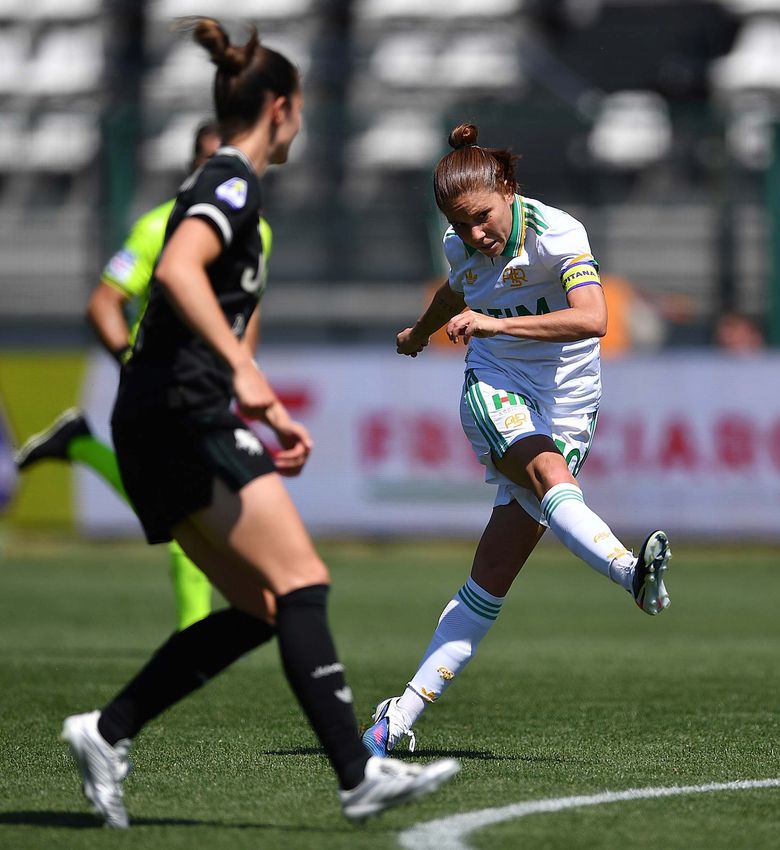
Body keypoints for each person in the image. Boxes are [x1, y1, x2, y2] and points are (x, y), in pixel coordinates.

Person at [59, 18, 457, 828]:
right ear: (280, 107)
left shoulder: (232, 188)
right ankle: (357, 775)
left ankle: (106, 730)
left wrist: (262, 405)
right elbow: (178, 271)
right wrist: (242, 375)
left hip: (159, 414)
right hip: (182, 412)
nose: (300, 123)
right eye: (299, 108)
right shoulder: (231, 182)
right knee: (302, 580)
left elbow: (195, 314)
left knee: (261, 608)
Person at [361, 123, 673, 758]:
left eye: (481, 217)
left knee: (491, 579)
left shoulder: (560, 234)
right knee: (553, 479)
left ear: (507, 188)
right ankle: (632, 575)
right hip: (496, 386)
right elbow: (456, 289)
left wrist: (490, 322)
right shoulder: (461, 247)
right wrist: (421, 332)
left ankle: (399, 714)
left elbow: (594, 318)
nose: (475, 234)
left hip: (570, 402)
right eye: (460, 224)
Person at [12, 122, 265, 631]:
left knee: (187, 505)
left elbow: (250, 303)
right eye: (211, 161)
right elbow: (104, 303)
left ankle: (81, 445)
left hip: (212, 386)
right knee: (194, 507)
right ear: (194, 168)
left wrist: (243, 368)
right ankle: (194, 634)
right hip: (169, 388)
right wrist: (135, 367)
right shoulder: (157, 228)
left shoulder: (257, 229)